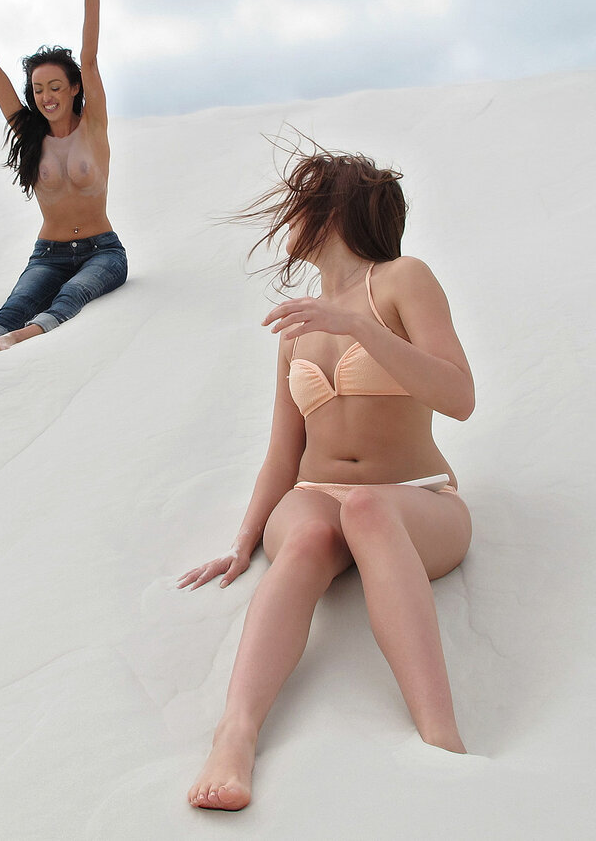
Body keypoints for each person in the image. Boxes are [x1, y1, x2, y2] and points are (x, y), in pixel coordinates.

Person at [178, 144, 475, 811]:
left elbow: (459, 396)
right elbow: (283, 453)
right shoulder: (298, 325)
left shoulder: (403, 280)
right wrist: (242, 541)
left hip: (416, 497)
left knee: (368, 507)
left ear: (334, 211)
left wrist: (360, 329)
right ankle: (234, 737)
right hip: (312, 497)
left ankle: (441, 736)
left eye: (300, 203)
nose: (288, 217)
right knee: (311, 536)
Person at [0, 0, 127, 351]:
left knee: (73, 294)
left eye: (55, 86)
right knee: (14, 306)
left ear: (73, 89)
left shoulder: (93, 126)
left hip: (102, 251)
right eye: (37, 89)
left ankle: (25, 337)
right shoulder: (29, 133)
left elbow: (89, 60)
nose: (46, 97)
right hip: (48, 252)